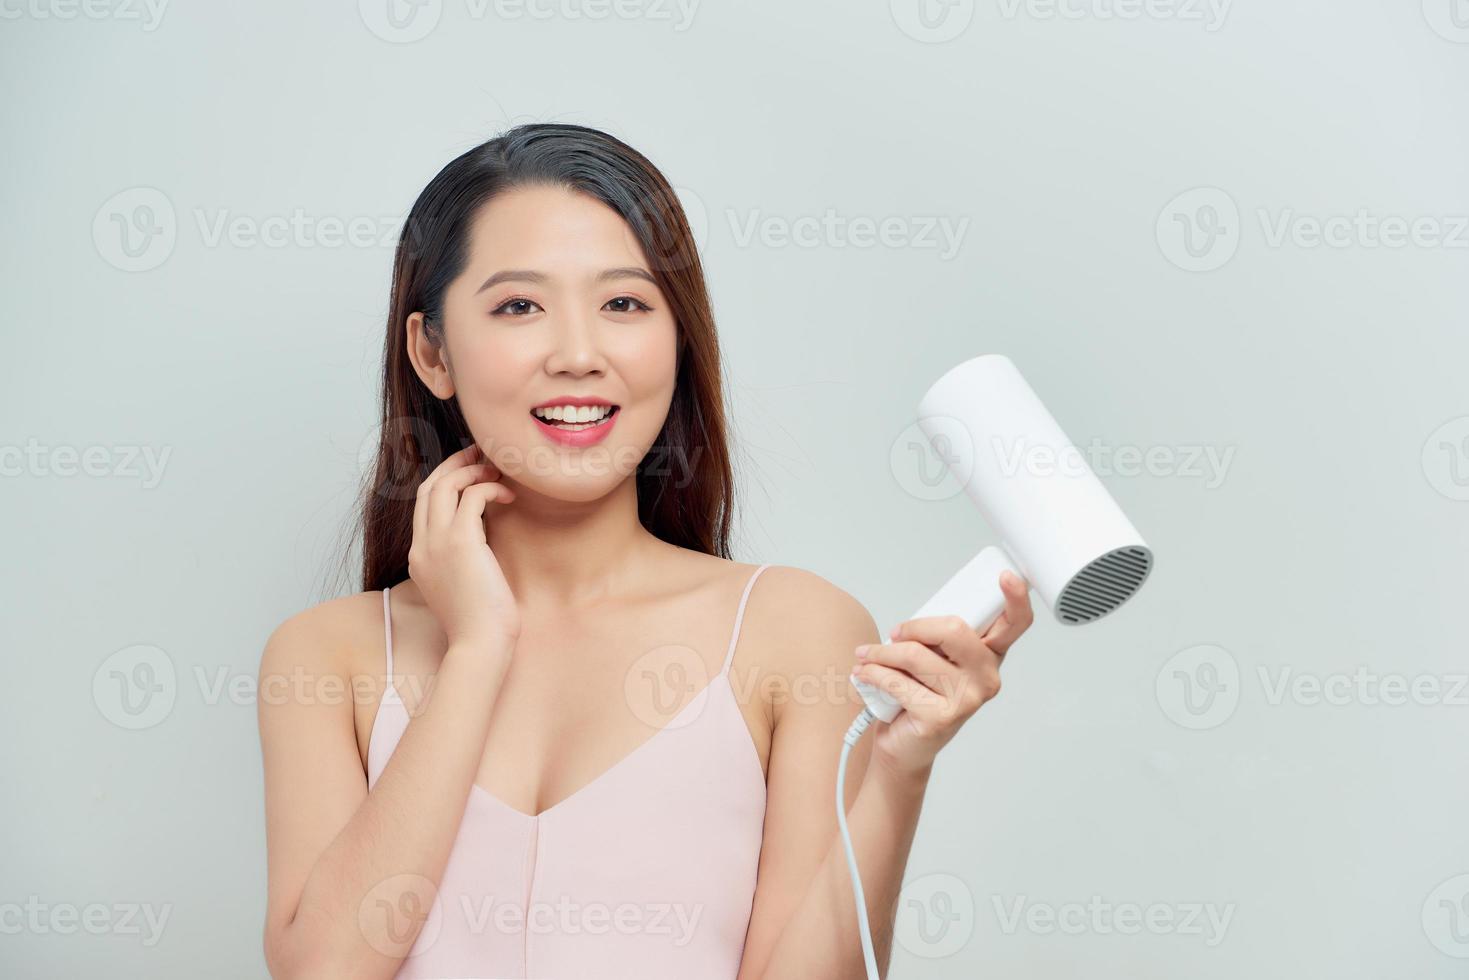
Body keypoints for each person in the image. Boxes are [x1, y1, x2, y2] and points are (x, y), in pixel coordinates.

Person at [256, 122, 1033, 979]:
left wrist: (897, 774)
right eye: (519, 306)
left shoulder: (791, 630)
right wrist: (476, 650)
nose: (579, 355)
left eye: (624, 303)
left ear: (677, 337)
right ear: (432, 352)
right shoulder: (327, 655)